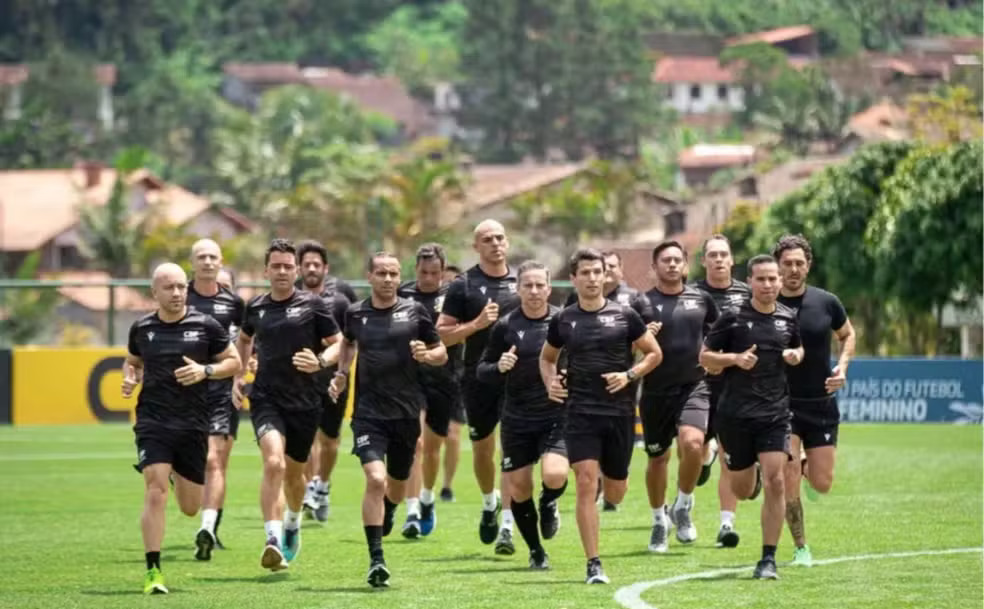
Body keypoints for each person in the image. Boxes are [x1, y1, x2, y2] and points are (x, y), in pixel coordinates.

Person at [539, 248, 662, 584]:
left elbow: (654, 353)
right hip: (580, 412)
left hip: (620, 414)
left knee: (616, 491)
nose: (593, 278)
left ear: (605, 276)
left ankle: (613, 486)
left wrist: (629, 375)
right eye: (586, 273)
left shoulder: (626, 315)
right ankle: (594, 563)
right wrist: (551, 382)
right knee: (584, 482)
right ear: (574, 278)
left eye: (598, 272)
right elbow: (548, 358)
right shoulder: (564, 319)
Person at [329, 251, 448, 587]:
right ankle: (376, 559)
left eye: (393, 274)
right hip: (368, 414)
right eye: (381, 273)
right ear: (369, 276)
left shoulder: (415, 312)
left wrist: (428, 355)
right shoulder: (356, 314)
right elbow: (348, 345)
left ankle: (393, 509)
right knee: (376, 480)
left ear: (400, 277)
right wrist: (340, 374)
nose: (388, 279)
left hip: (406, 414)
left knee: (395, 485)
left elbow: (440, 352)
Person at [124, 263, 242, 594]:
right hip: (153, 422)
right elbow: (132, 360)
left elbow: (234, 362)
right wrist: (130, 377)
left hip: (193, 424)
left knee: (191, 508)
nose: (176, 293)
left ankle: (177, 476)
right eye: (169, 288)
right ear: (154, 293)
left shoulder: (206, 326)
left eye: (180, 287)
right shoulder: (142, 328)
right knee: (155, 489)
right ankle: (153, 571)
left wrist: (205, 370)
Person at [234, 239, 341, 571]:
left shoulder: (314, 306)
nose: (281, 271)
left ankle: (293, 522)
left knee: (295, 477)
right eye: (275, 266)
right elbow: (244, 337)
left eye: (287, 266)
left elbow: (339, 344)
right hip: (266, 398)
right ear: (266, 270)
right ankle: (272, 539)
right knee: (274, 464)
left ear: (296, 270)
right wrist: (240, 373)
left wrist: (321, 361)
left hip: (305, 402)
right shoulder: (256, 307)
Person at [700, 254, 804, 580]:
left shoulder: (789, 317)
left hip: (774, 414)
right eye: (762, 279)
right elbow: (705, 358)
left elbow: (799, 349)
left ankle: (767, 559)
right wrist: (734, 359)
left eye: (774, 279)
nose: (769, 285)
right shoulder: (731, 317)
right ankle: (751, 474)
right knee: (744, 489)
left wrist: (794, 355)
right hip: (734, 416)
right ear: (751, 282)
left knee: (777, 480)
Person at [477, 260, 568, 569]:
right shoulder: (505, 326)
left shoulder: (563, 321)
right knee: (517, 488)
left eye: (539, 285)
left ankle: (549, 502)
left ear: (549, 288)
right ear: (518, 289)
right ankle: (536, 551)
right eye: (527, 285)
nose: (533, 291)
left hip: (556, 414)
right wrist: (498, 367)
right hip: (517, 417)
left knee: (554, 475)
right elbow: (482, 370)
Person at [437, 219, 520, 552]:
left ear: (508, 242)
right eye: (487, 239)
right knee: (484, 450)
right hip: (477, 378)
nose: (495, 243)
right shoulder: (463, 286)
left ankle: (508, 527)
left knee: (512, 452)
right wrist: (477, 324)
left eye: (500, 237)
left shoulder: (523, 282)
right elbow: (443, 333)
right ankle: (490, 503)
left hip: (517, 380)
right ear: (476, 247)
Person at [774, 234, 856, 567]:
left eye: (799, 263)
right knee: (787, 474)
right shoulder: (766, 304)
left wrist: (843, 366)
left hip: (821, 403)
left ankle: (808, 464)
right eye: (787, 263)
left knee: (822, 484)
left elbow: (848, 334)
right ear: (778, 266)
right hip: (781, 405)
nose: (793, 269)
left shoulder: (826, 302)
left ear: (808, 265)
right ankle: (801, 548)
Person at [641, 241, 718, 552]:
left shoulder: (702, 299)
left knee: (693, 444)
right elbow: (629, 347)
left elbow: (718, 336)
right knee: (658, 458)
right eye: (665, 260)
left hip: (694, 387)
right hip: (656, 391)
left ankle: (683, 504)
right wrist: (644, 335)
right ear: (654, 267)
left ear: (686, 266)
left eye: (677, 260)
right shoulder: (641, 304)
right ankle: (659, 521)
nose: (672, 265)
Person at [185, 239, 246, 560]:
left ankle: (208, 528)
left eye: (213, 257)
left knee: (215, 460)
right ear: (192, 263)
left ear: (221, 261)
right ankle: (204, 518)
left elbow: (246, 345)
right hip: (184, 394)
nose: (208, 262)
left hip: (221, 392)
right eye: (201, 257)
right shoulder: (181, 298)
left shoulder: (234, 304)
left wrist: (240, 377)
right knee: (190, 464)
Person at [692, 234, 753, 547]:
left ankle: (726, 525)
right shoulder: (691, 295)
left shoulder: (747, 294)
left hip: (735, 387)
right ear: (704, 261)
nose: (718, 259)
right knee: (691, 449)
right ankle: (704, 458)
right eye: (712, 255)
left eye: (723, 254)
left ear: (732, 260)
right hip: (696, 385)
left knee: (731, 458)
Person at [398, 244, 461, 538]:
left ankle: (426, 497)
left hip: (445, 378)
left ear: (443, 271)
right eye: (424, 272)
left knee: (435, 448)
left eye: (435, 272)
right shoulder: (403, 295)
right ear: (416, 270)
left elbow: (458, 335)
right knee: (417, 443)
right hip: (410, 379)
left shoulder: (453, 298)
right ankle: (411, 512)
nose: (429, 278)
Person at [295, 240, 351, 523]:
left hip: (333, 380)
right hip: (299, 381)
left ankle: (323, 487)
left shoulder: (339, 301)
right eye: (307, 264)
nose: (312, 268)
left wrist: (343, 371)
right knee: (303, 440)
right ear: (299, 269)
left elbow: (350, 341)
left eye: (317, 264)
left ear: (326, 268)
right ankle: (307, 492)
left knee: (329, 441)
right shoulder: (289, 300)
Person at [440, 264, 465, 502]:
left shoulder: (467, 308)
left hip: (458, 376)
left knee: (453, 435)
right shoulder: (430, 307)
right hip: (427, 377)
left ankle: (447, 486)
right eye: (446, 282)